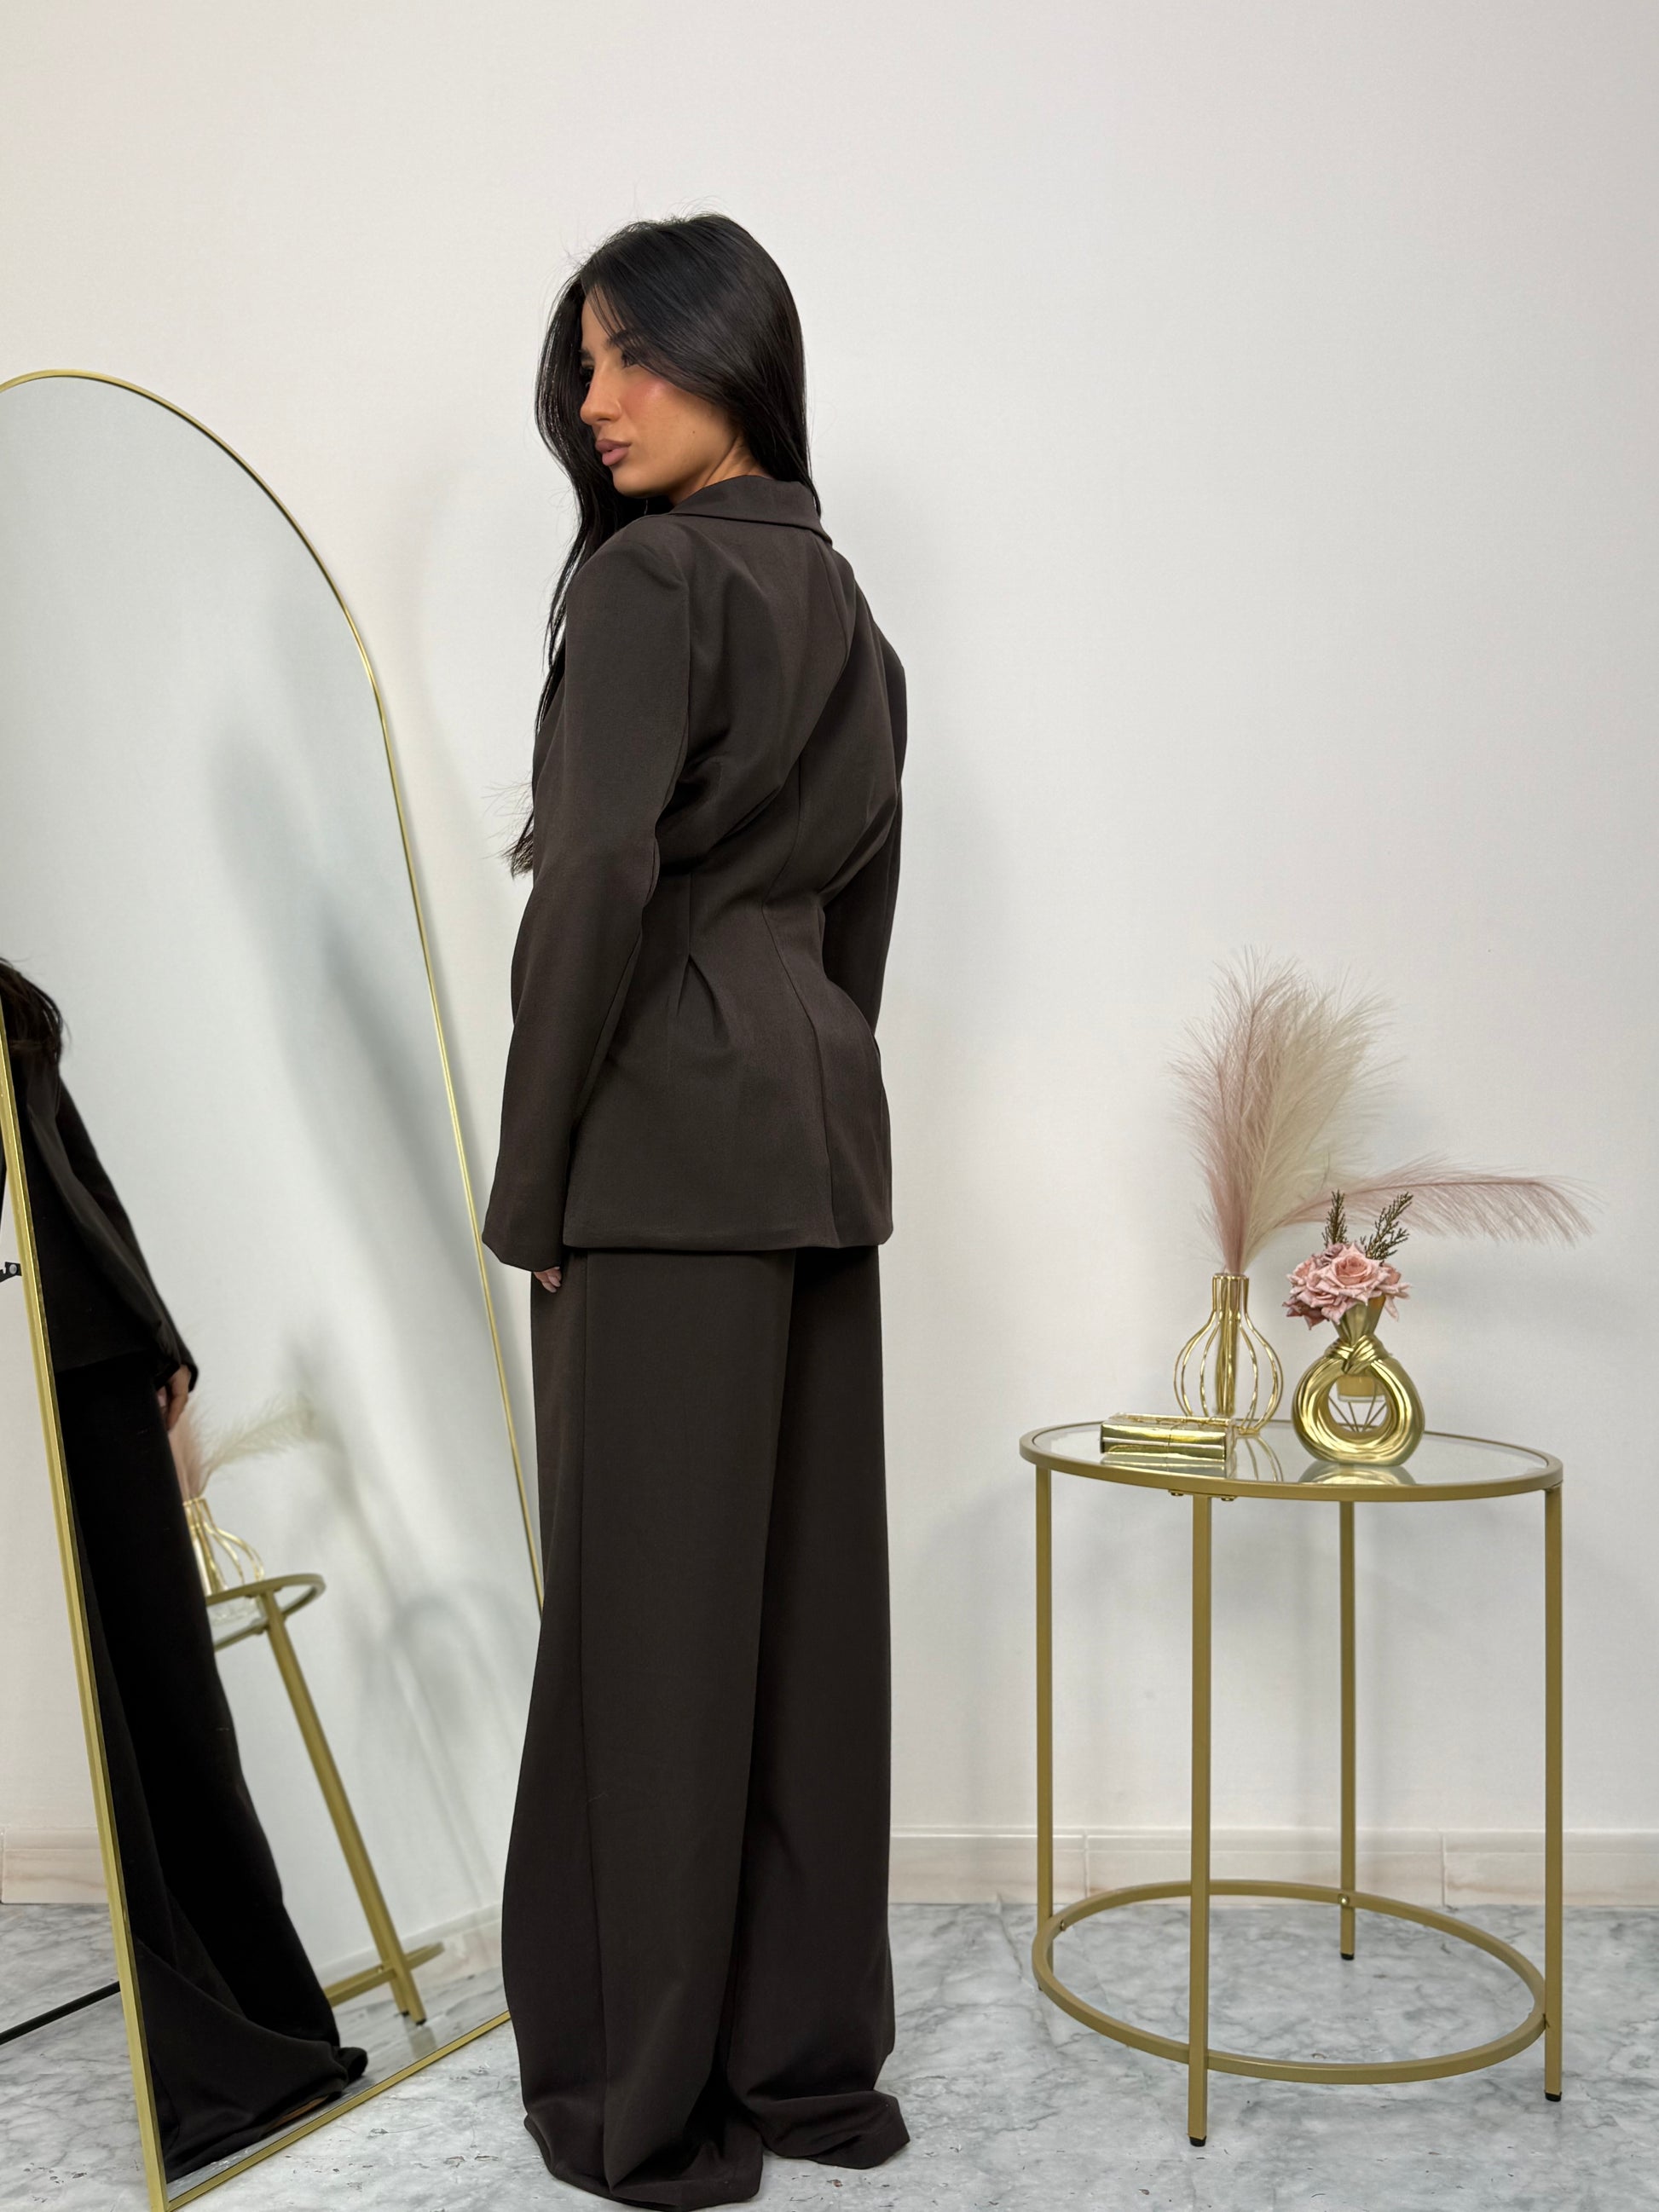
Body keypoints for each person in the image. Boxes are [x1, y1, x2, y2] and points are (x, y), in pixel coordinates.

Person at [483, 213, 910, 2209]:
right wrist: (802, 1085)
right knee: (803, 1636)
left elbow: (592, 882)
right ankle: (804, 2067)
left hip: (658, 1157)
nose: (599, 398)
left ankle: (640, 2096)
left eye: (633, 354)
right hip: (813, 1143)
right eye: (583, 364)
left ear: (734, 355)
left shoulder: (652, 579)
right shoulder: (850, 612)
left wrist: (533, 1177)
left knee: (648, 1644)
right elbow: (858, 921)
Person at [0, 959, 366, 2180]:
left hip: (95, 1358)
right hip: (24, 1373)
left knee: (176, 1710)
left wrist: (162, 1338)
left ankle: (270, 2025)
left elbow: (74, 1168)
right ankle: (203, 2050)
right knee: (105, 1725)